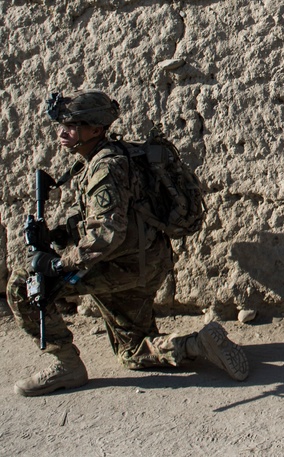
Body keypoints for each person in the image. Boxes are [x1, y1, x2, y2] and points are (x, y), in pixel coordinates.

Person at [7, 90, 249, 397]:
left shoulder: (105, 167)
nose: (62, 132)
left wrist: (57, 263)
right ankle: (197, 344)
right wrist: (59, 234)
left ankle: (66, 365)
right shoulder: (119, 153)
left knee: (22, 284)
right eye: (62, 125)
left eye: (73, 125)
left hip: (122, 267)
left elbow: (107, 233)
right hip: (147, 262)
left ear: (95, 129)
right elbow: (122, 215)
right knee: (133, 352)